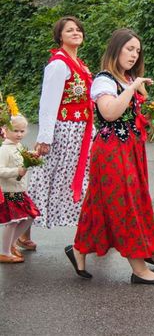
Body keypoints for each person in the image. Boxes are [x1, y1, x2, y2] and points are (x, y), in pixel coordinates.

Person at [66, 29, 154, 284]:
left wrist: (147, 116)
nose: (134, 55)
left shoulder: (126, 79)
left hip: (130, 149)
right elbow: (110, 113)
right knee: (126, 203)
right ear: (116, 49)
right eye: (129, 49)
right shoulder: (104, 80)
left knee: (101, 204)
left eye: (137, 50)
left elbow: (127, 114)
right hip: (112, 150)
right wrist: (133, 88)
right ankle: (138, 268)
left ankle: (79, 249)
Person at [28, 16, 93, 238]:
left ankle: (87, 231)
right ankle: (23, 232)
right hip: (63, 131)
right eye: (69, 31)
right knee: (47, 177)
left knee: (81, 178)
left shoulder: (81, 65)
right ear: (60, 37)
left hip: (81, 131)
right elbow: (48, 102)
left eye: (78, 30)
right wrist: (45, 137)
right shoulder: (58, 64)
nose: (76, 33)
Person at [0, 115, 40, 264]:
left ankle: (11, 243)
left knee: (30, 215)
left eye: (22, 131)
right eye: (15, 130)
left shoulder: (19, 146)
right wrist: (16, 171)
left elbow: (24, 157)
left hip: (19, 191)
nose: (19, 134)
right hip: (9, 191)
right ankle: (4, 251)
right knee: (13, 221)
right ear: (5, 130)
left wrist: (34, 155)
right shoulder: (4, 150)